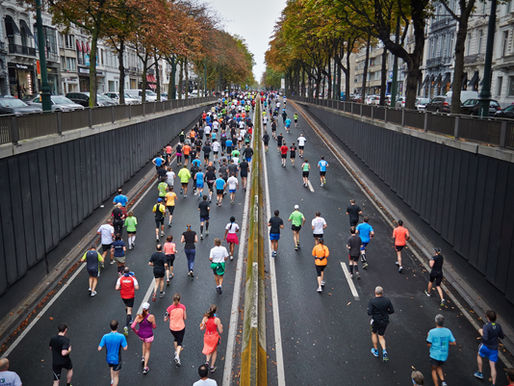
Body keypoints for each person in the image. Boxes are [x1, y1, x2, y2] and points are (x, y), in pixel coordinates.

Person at [474, 310, 505, 385]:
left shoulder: (486, 326)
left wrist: (480, 331)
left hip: (485, 346)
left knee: (479, 355)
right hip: (494, 349)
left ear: (488, 317)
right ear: (495, 317)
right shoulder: (498, 326)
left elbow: (485, 338)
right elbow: (502, 336)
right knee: (492, 366)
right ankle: (493, 383)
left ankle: (480, 373)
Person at [427, 314, 456, 386]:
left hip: (434, 355)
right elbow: (454, 343)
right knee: (439, 366)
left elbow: (428, 344)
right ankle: (443, 382)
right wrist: (445, 343)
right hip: (444, 355)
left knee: (433, 370)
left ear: (436, 322)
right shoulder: (448, 331)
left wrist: (428, 336)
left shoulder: (431, 332)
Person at [368, 286, 394, 362]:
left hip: (376, 321)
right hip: (384, 320)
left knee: (373, 333)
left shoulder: (372, 301)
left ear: (375, 292)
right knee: (381, 336)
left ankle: (375, 350)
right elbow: (392, 311)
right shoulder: (387, 300)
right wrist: (386, 313)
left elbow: (369, 312)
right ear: (382, 292)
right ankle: (384, 350)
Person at [97, 320, 128, 386]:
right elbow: (125, 348)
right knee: (116, 375)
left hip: (109, 358)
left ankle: (112, 381)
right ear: (117, 326)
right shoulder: (121, 336)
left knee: (111, 368)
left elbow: (99, 348)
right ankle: (114, 382)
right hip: (117, 359)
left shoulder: (105, 336)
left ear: (110, 327)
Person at [131, 302, 156, 375]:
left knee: (143, 343)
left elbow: (132, 326)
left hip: (141, 335)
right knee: (148, 350)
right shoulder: (151, 316)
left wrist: (136, 332)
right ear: (148, 308)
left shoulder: (138, 316)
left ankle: (142, 357)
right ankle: (145, 367)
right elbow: (154, 327)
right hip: (149, 336)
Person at [115, 266, 139, 335]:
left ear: (123, 272)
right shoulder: (133, 278)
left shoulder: (120, 279)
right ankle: (126, 326)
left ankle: (130, 319)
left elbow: (116, 288)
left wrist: (121, 288)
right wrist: (131, 287)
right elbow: (137, 288)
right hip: (131, 296)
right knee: (129, 310)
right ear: (129, 272)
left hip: (123, 296)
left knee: (126, 306)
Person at [165, 293, 187, 367]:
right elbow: (185, 318)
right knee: (180, 342)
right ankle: (177, 356)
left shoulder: (169, 308)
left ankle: (176, 351)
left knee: (176, 339)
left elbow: (165, 318)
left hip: (172, 328)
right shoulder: (183, 307)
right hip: (181, 327)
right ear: (179, 299)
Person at [200, 305, 223, 373]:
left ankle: (207, 361)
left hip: (207, 336)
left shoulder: (205, 318)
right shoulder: (217, 320)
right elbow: (221, 331)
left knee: (208, 348)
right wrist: (221, 326)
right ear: (215, 311)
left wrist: (202, 324)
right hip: (214, 337)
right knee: (214, 351)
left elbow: (201, 328)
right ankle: (212, 367)